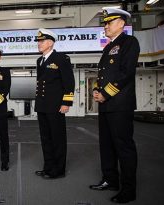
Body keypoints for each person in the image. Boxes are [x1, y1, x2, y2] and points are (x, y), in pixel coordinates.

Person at [89, 8, 140, 204]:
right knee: (107, 146)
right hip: (106, 105)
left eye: (109, 22)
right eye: (104, 23)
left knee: (124, 147)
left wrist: (105, 93)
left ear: (121, 23)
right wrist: (96, 89)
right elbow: (103, 75)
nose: (105, 26)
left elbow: (126, 74)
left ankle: (128, 190)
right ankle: (110, 180)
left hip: (120, 105)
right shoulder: (108, 47)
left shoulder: (129, 43)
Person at [33, 28, 75, 179]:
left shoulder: (61, 59)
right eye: (38, 41)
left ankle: (58, 170)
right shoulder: (40, 60)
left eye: (42, 41)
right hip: (42, 105)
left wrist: (66, 102)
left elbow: (69, 82)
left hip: (56, 105)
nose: (39, 44)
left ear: (50, 43)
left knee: (57, 139)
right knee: (46, 138)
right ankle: (48, 167)